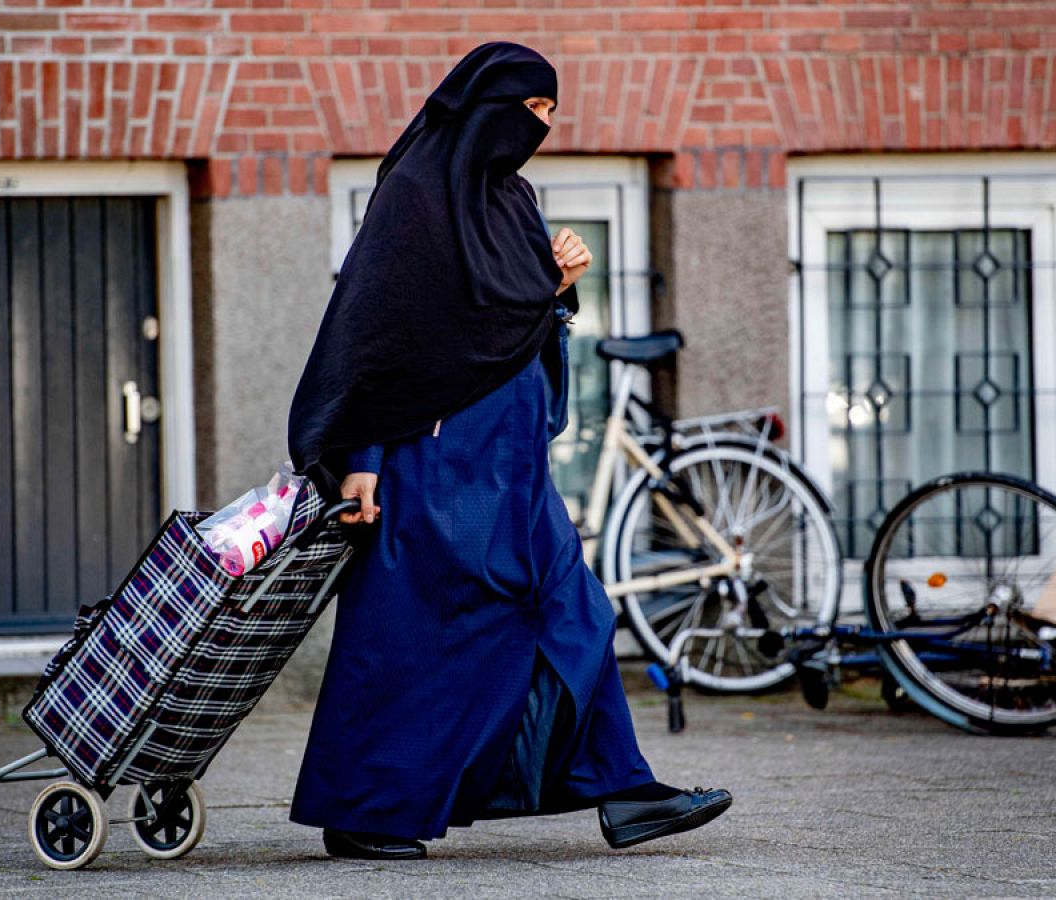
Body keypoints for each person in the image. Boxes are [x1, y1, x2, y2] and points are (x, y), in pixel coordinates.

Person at [283, 42, 732, 861]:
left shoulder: (512, 198)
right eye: (535, 110)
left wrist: (560, 288)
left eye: (554, 113)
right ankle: (365, 812)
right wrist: (363, 459)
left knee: (574, 609)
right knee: (420, 635)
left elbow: (514, 325)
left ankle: (623, 788)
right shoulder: (414, 199)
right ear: (488, 107)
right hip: (435, 466)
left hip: (515, 466)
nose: (546, 128)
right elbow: (371, 343)